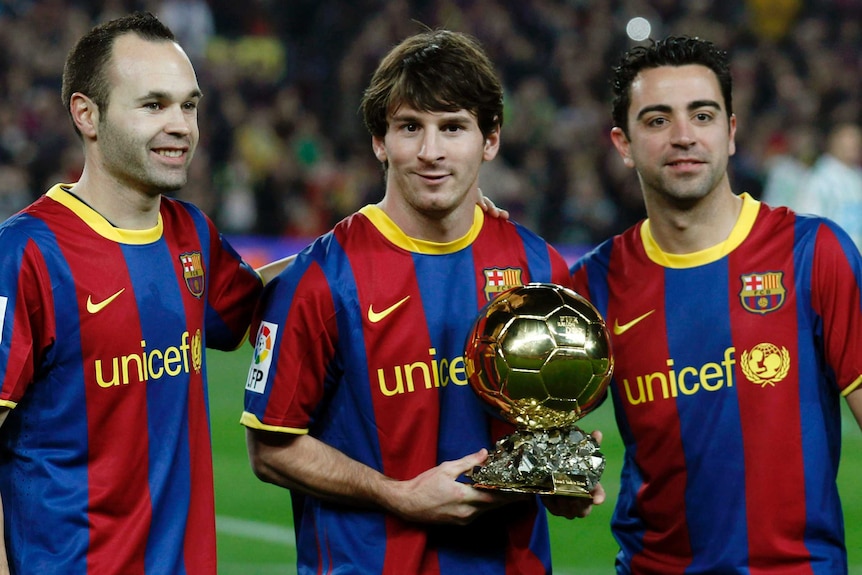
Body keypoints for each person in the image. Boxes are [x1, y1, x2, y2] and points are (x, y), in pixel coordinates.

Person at [241, 28, 603, 575]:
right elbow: (270, 449)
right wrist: (396, 494)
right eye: (411, 127)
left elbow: (539, 423)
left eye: (453, 127)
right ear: (380, 142)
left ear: (491, 139)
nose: (431, 152)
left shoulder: (539, 269)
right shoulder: (321, 278)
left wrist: (561, 476)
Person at [0, 12, 288, 575]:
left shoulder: (191, 234)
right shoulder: (25, 255)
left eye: (189, 104)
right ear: (87, 114)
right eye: (153, 105)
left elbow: (268, 300)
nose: (180, 124)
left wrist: (386, 235)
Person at [569, 35, 862, 574]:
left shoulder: (813, 253)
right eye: (657, 121)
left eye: (701, 116)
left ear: (729, 132)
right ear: (623, 143)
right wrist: (561, 475)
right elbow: (541, 433)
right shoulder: (592, 285)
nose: (683, 136)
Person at [793, 122, 862, 249]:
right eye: (848, 138)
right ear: (833, 142)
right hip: (831, 257)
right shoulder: (819, 179)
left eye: (857, 140)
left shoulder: (857, 177)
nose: (854, 144)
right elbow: (808, 222)